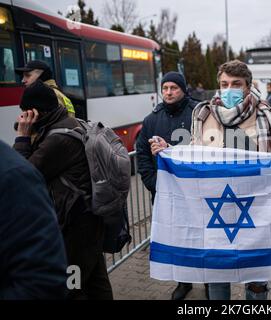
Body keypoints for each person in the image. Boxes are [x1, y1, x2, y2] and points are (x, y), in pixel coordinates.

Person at [150, 60, 271, 300]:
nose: (229, 89)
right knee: (217, 276)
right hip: (214, 210)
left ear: (248, 87)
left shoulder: (267, 117)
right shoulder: (204, 113)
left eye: (236, 84)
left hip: (256, 212)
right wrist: (172, 152)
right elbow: (196, 154)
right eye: (224, 84)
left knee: (257, 281)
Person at [13, 80, 113, 300]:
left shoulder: (58, 139)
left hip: (73, 228)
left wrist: (22, 136)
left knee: (72, 288)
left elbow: (22, 177)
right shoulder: (66, 123)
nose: (22, 118)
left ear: (34, 112)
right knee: (96, 280)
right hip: (86, 221)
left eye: (24, 112)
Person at [136, 71, 208, 301]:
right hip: (165, 194)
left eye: (173, 88)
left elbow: (209, 149)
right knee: (176, 238)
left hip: (198, 192)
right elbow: (143, 156)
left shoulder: (200, 114)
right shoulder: (151, 119)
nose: (168, 92)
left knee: (203, 236)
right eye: (165, 88)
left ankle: (209, 280)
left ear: (183, 89)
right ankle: (183, 281)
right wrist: (154, 184)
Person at [0, 140, 68, 300]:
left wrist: (22, 140)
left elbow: (44, 282)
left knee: (78, 281)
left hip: (70, 219)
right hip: (66, 218)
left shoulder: (57, 140)